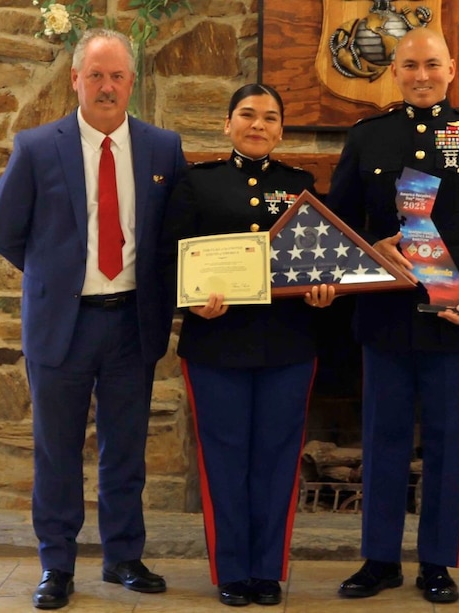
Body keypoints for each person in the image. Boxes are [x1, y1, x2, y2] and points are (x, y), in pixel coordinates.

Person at [0, 29, 187, 610]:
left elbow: (174, 234)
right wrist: (54, 275)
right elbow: (3, 232)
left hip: (131, 323)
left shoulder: (162, 148)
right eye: (95, 75)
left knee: (125, 450)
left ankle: (123, 556)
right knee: (57, 452)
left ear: (131, 83)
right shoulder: (35, 147)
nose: (106, 86)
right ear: (75, 79)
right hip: (62, 325)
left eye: (116, 76)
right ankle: (57, 564)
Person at [325, 27, 459, 605]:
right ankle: (380, 560)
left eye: (432, 65)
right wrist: (372, 245)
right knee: (382, 443)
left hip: (457, 318)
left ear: (452, 69)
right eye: (410, 66)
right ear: (394, 73)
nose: (421, 76)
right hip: (385, 318)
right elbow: (339, 224)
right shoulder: (368, 136)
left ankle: (436, 563)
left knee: (448, 445)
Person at [160, 83, 335, 607]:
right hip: (217, 345)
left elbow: (320, 261)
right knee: (224, 460)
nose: (258, 124)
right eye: (247, 114)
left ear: (281, 130)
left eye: (270, 117)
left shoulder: (300, 185)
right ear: (227, 123)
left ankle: (267, 569)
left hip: (288, 346)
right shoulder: (197, 183)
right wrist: (190, 302)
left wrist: (323, 294)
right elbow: (167, 258)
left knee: (279, 460)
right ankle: (232, 570)